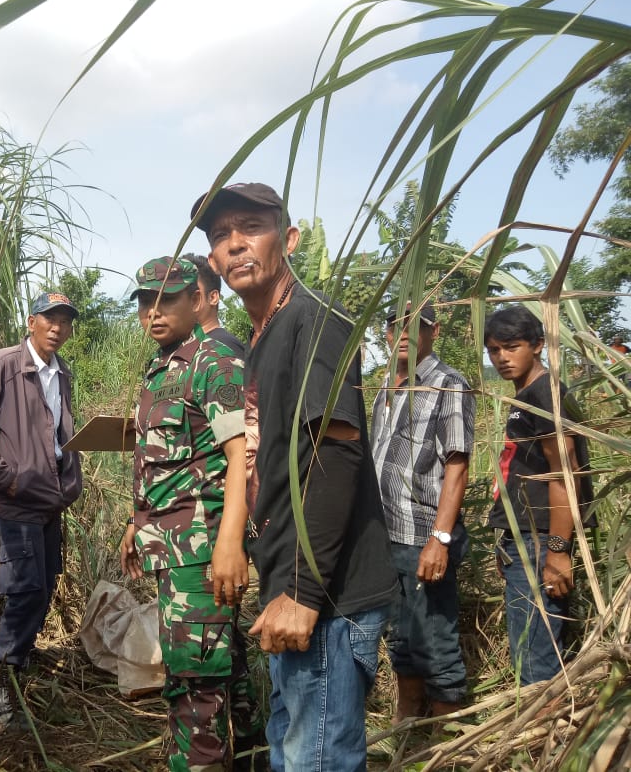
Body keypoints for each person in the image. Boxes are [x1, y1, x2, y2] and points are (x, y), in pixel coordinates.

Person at [194, 182, 397, 771]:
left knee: (316, 759)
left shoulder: (317, 318)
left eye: (249, 227)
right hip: (290, 584)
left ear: (288, 238)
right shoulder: (262, 337)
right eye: (220, 235)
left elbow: (336, 454)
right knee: (292, 753)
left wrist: (304, 593)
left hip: (326, 597)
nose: (234, 244)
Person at [119, 256, 266, 772]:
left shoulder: (216, 360)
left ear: (198, 299)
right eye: (143, 302)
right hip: (172, 546)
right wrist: (137, 522)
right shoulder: (165, 365)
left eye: (167, 300)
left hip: (201, 551)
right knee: (218, 670)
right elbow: (162, 460)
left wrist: (230, 544)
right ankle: (251, 759)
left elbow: (239, 455)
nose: (152, 313)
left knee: (194, 685)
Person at [0, 292, 83, 728]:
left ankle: (19, 662)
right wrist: (11, 477)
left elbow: (59, 434)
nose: (57, 327)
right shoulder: (4, 365)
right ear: (31, 321)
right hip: (17, 503)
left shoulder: (64, 375)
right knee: (25, 592)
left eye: (64, 321)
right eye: (49, 319)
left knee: (44, 586)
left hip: (52, 501)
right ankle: (2, 685)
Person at [370, 303, 475, 722]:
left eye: (419, 326)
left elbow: (457, 466)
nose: (405, 333)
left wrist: (440, 538)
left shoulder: (449, 384)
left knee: (434, 639)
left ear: (435, 331)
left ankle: (452, 739)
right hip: (386, 534)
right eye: (397, 324)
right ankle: (408, 718)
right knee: (400, 634)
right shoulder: (384, 385)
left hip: (423, 535)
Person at [485, 305, 594, 685]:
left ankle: (545, 735)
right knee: (529, 645)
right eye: (494, 350)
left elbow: (565, 473)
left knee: (536, 658)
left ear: (538, 345)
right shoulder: (529, 395)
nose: (502, 357)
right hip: (524, 540)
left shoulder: (546, 393)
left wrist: (558, 550)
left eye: (511, 347)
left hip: (541, 541)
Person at [181, 252, 246, 356]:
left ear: (213, 297)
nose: (181, 300)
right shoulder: (186, 347)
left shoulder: (223, 346)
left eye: (189, 292)